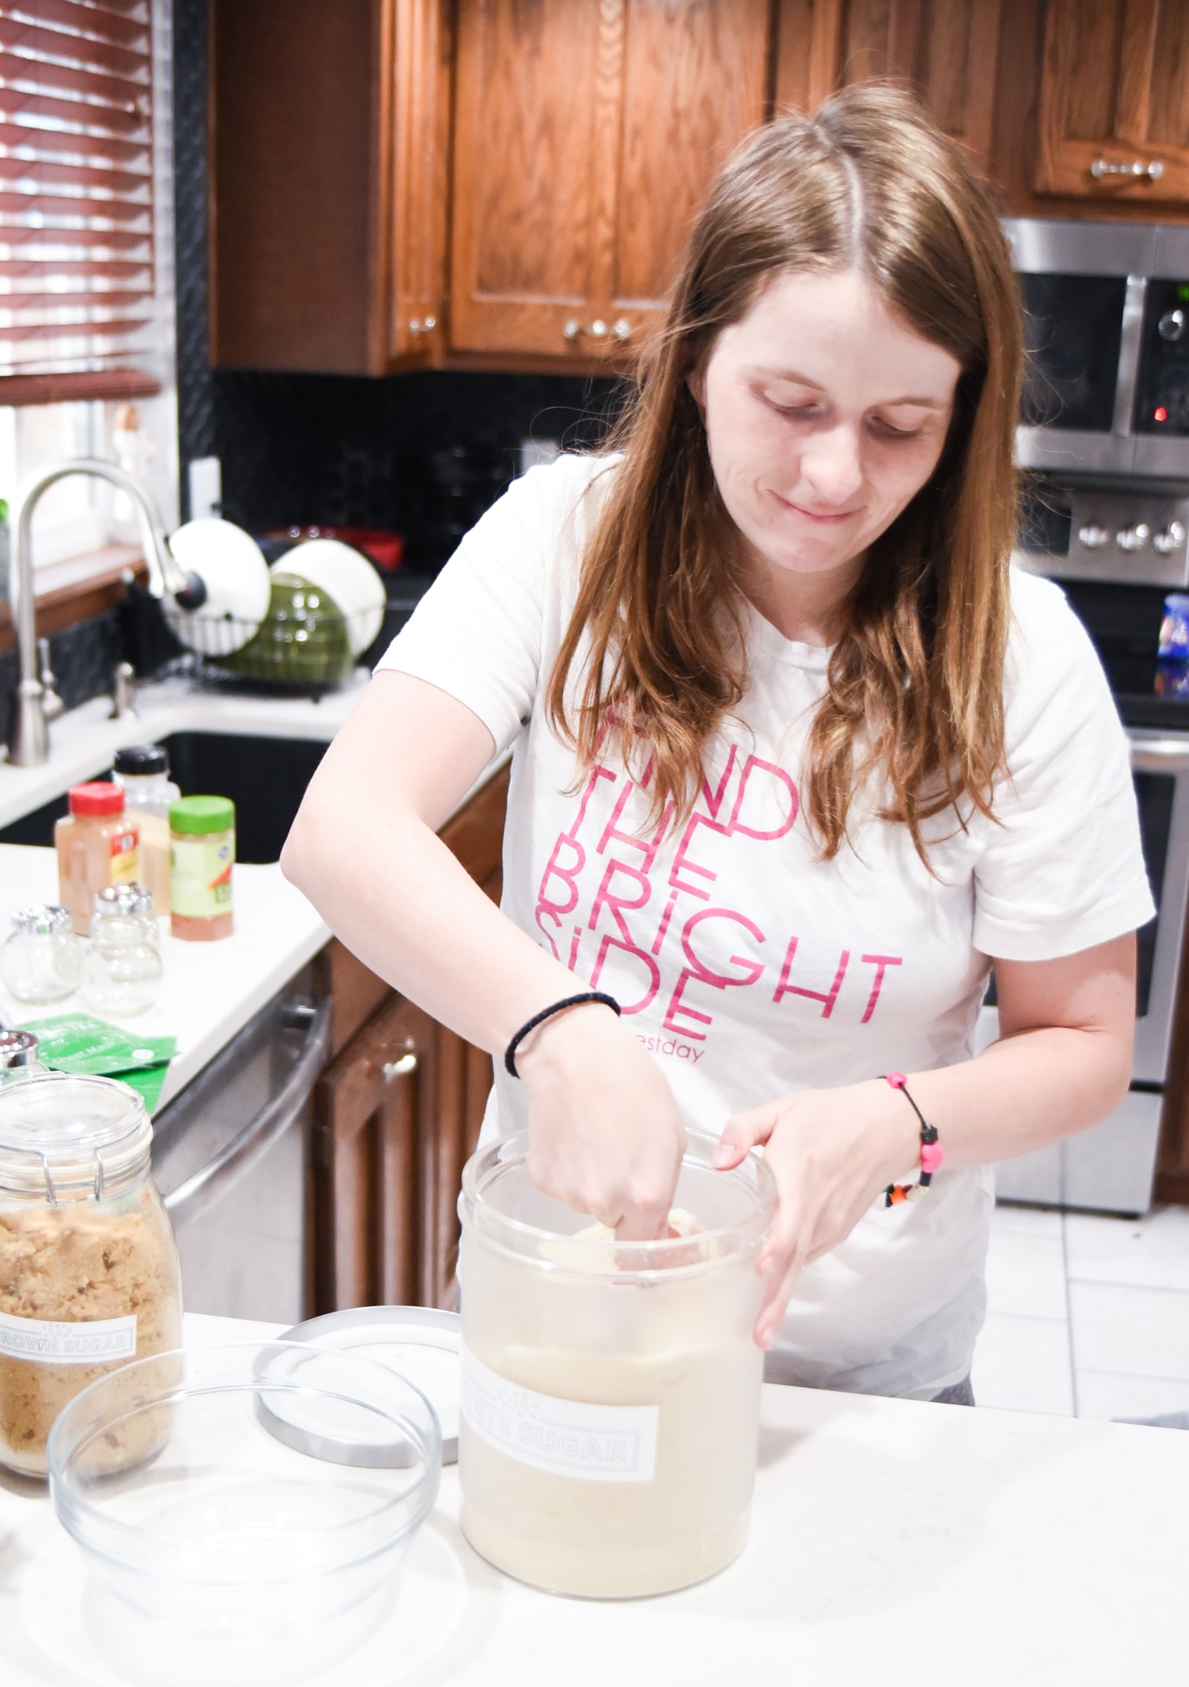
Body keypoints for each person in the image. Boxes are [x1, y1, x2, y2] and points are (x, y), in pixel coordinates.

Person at [282, 85, 1154, 1404]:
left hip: (856, 1381)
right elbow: (344, 829)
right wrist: (560, 1031)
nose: (833, 477)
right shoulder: (563, 543)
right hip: (560, 1318)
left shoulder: (1021, 663)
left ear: (964, 417)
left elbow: (1082, 1042)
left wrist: (899, 1122)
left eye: (899, 425)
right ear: (697, 361)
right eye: (788, 401)